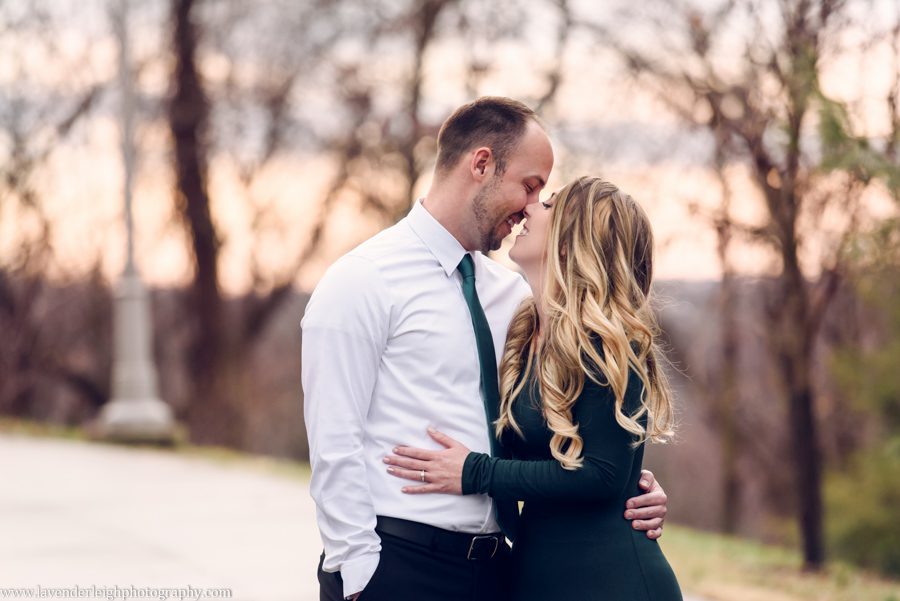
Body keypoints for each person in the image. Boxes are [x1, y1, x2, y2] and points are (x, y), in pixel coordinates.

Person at [302, 98, 669, 601]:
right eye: (530, 186)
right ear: (481, 165)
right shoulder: (364, 280)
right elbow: (333, 443)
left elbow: (573, 431)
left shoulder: (519, 299)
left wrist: (631, 484)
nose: (531, 207)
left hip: (502, 573)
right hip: (400, 565)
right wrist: (359, 569)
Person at [384, 176, 682, 600]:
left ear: (569, 241)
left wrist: (475, 473)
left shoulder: (608, 343)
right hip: (537, 576)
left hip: (610, 582)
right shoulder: (523, 333)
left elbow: (601, 475)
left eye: (548, 204)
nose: (529, 208)